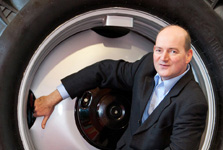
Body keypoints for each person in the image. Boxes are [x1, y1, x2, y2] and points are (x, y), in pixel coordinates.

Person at [34, 25, 208, 150]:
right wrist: (53, 97)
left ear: (188, 55)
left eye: (173, 51)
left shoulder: (193, 102)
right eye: (159, 50)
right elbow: (104, 71)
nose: (163, 58)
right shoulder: (147, 65)